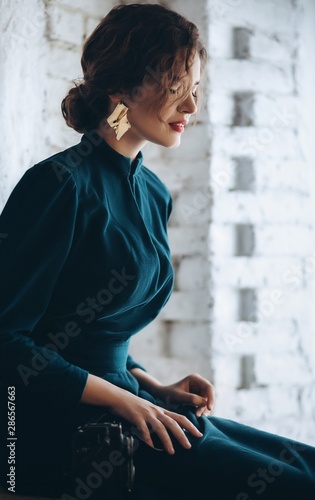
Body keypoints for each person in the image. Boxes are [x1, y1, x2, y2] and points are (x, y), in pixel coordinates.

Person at [0, 3, 315, 499]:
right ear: (121, 88)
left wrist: (151, 384)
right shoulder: (60, 184)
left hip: (134, 403)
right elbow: (9, 341)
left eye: (195, 89)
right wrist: (126, 400)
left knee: (307, 468)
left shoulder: (152, 192)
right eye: (176, 87)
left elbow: (91, 327)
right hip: (72, 432)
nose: (191, 106)